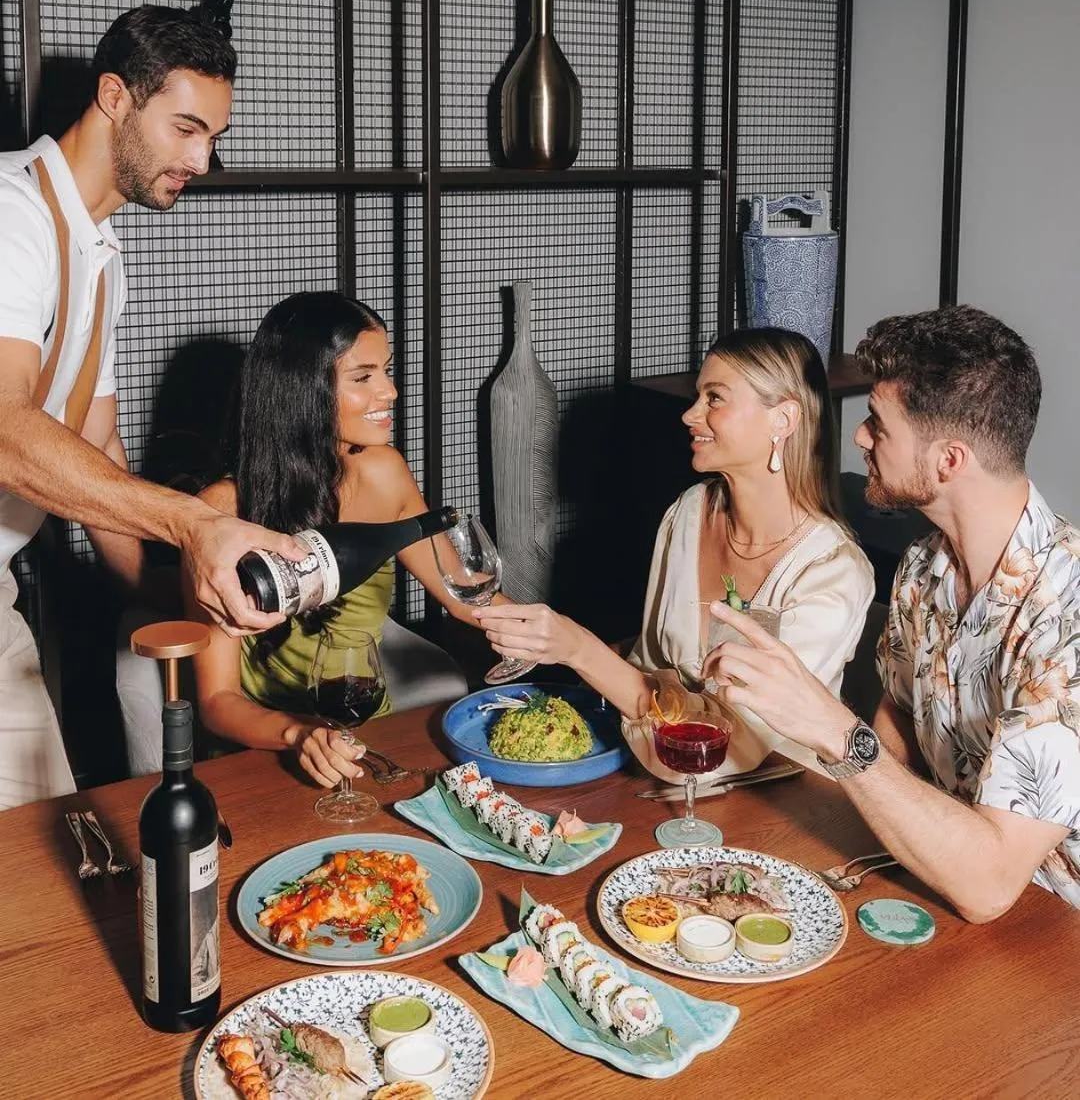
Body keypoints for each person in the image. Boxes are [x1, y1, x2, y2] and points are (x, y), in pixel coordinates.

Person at [0, 5, 302, 808]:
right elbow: (5, 431)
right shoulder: (10, 216)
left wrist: (189, 593)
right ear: (113, 97)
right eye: (187, 128)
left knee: (49, 850)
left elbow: (97, 458)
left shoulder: (102, 258)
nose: (203, 159)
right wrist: (194, 523)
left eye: (214, 136)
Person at [703, 305, 1080, 922]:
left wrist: (831, 730)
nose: (859, 437)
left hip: (1051, 934)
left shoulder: (1068, 616)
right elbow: (898, 719)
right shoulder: (923, 565)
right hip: (928, 880)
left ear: (948, 461)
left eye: (878, 424)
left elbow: (989, 889)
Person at [478, 327, 875, 781]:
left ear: (782, 420)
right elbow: (648, 665)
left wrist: (578, 649)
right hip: (661, 779)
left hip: (782, 804)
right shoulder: (690, 513)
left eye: (714, 398)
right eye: (697, 396)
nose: (689, 415)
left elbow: (729, 748)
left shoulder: (831, 573)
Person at [188, 291, 487, 789]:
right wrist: (300, 735)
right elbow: (218, 701)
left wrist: (563, 644)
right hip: (267, 744)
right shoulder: (220, 511)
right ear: (303, 389)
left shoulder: (384, 473)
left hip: (368, 733)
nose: (390, 392)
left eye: (387, 371)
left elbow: (466, 596)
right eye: (364, 377)